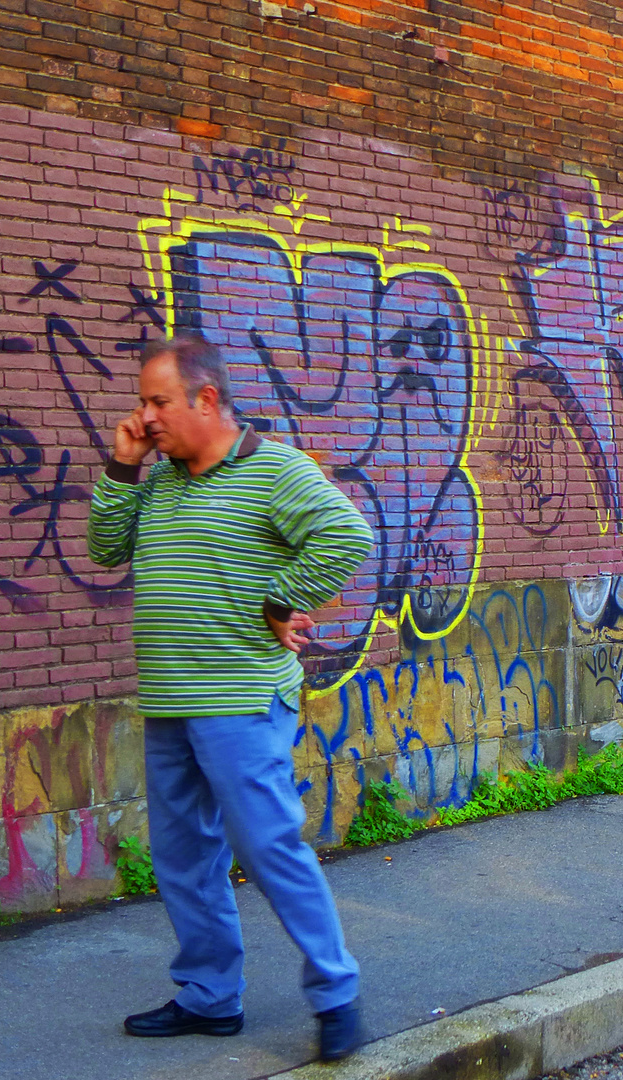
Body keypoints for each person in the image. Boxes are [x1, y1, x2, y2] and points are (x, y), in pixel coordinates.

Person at [87, 335, 375, 1061]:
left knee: (267, 845)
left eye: (157, 402)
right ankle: (209, 997)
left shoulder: (271, 467)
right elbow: (103, 549)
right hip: (170, 701)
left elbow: (346, 535)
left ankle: (336, 991)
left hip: (240, 700)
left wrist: (282, 600)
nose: (145, 416)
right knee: (184, 858)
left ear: (205, 400)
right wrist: (122, 466)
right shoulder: (156, 481)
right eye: (142, 402)